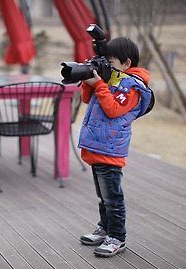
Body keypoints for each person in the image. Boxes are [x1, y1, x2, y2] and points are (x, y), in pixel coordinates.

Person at [78, 37, 153, 257]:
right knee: (104, 197)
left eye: (110, 63)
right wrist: (87, 80)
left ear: (126, 63)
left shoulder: (131, 87)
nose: (107, 67)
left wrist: (100, 84)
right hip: (98, 147)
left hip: (110, 151)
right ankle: (105, 228)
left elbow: (112, 109)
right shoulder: (113, 79)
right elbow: (87, 99)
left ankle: (117, 237)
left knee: (113, 198)